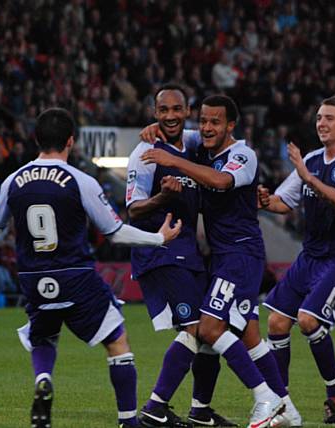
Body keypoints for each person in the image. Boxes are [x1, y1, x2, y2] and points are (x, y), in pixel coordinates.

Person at [0, 107, 182, 428]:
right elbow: (114, 230)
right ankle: (127, 421)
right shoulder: (80, 181)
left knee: (43, 336)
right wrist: (157, 238)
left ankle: (43, 378)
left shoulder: (13, 180)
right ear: (70, 141)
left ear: (36, 139)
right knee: (117, 341)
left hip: (33, 279)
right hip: (76, 276)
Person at [141, 95, 296, 428]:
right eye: (204, 121)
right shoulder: (204, 147)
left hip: (240, 256)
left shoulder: (242, 154)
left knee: (210, 328)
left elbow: (222, 181)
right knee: (250, 335)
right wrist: (157, 128)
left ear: (231, 125)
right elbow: (177, 132)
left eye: (216, 122)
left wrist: (175, 161)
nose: (208, 127)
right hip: (224, 256)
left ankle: (264, 398)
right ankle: (288, 408)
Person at [258, 96, 335, 424]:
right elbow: (284, 202)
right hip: (311, 256)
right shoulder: (311, 159)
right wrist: (265, 201)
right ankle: (280, 405)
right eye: (319, 117)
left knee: (308, 320)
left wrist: (308, 177)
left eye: (329, 118)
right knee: (277, 322)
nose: (321, 123)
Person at [126, 84, 235, 427]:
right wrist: (160, 198)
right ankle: (156, 407)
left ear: (187, 111)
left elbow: (215, 131)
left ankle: (201, 411)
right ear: (154, 114)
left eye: (176, 109)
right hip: (161, 250)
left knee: (212, 327)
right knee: (197, 327)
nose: (170, 116)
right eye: (163, 111)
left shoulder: (191, 142)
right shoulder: (144, 152)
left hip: (188, 251)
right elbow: (133, 210)